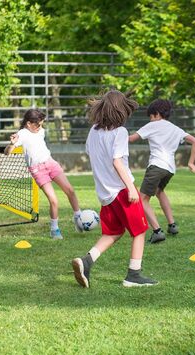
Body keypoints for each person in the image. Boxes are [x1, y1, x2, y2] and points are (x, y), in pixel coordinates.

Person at [72, 90, 158, 288]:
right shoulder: (119, 132)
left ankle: (85, 262)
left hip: (105, 194)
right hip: (121, 190)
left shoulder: (94, 130)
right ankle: (133, 275)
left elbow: (89, 152)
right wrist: (131, 188)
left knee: (113, 232)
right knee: (140, 231)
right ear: (121, 110)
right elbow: (117, 162)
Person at [4, 109, 84, 239]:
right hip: (37, 170)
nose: (40, 127)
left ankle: (78, 218)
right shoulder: (22, 134)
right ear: (29, 124)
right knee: (53, 200)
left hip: (50, 163)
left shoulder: (41, 131)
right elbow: (7, 152)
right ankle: (54, 229)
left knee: (70, 190)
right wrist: (11, 144)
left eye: (41, 124)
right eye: (38, 124)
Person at [129, 99, 195, 243]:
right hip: (169, 168)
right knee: (159, 192)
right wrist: (191, 163)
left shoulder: (152, 125)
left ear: (156, 114)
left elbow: (131, 139)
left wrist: (114, 135)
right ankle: (172, 225)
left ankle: (157, 231)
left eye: (151, 115)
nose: (150, 118)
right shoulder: (175, 128)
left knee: (142, 200)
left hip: (156, 166)